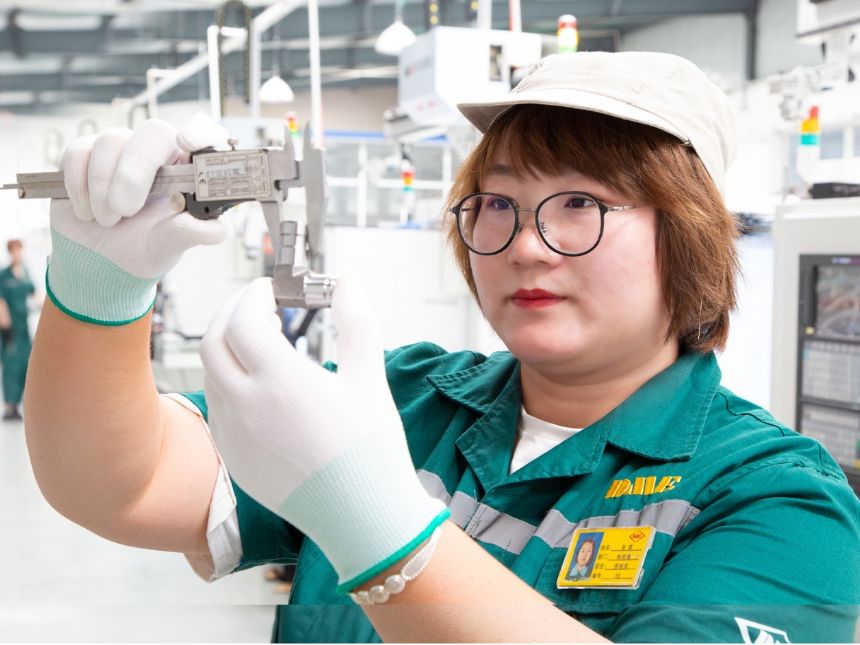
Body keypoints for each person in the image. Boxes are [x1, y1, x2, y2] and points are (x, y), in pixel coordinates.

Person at [23, 53, 859, 643]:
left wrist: (382, 525)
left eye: (580, 204)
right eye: (497, 204)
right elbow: (121, 484)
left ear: (689, 235)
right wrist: (100, 290)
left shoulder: (779, 501)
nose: (525, 244)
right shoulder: (406, 400)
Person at [0, 239, 35, 420]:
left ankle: (19, 405)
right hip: (10, 329)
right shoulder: (4, 275)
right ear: (10, 252)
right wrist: (6, 328)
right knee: (11, 367)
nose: (17, 254)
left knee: (24, 365)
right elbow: (1, 302)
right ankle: (9, 406)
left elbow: (34, 294)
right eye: (14, 251)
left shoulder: (25, 273)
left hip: (24, 329)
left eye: (19, 250)